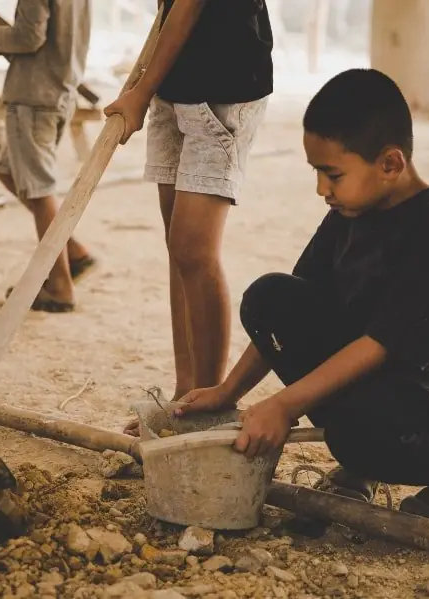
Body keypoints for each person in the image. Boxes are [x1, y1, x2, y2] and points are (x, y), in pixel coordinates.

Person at [175, 69, 429, 531]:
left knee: (356, 433)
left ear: (390, 164)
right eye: (317, 172)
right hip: (380, 370)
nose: (321, 189)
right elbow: (286, 318)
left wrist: (284, 405)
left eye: (332, 173)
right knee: (268, 298)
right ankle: (362, 457)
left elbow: (383, 342)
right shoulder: (350, 211)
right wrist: (228, 392)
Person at [104, 0, 273, 434]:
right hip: (174, 80)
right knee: (178, 249)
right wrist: (149, 87)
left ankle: (208, 401)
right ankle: (186, 396)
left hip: (223, 86)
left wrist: (139, 94)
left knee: (193, 250)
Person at [0, 0, 97, 313]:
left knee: (39, 192)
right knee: (9, 173)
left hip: (33, 96)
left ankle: (59, 286)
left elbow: (29, 38)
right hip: (57, 91)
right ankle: (72, 251)